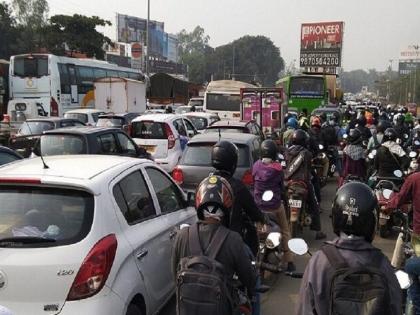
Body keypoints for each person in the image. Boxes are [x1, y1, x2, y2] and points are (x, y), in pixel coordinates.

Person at [297, 182, 402, 315]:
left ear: (335, 216)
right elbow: (395, 308)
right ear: (372, 221)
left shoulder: (319, 261)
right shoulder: (382, 263)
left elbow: (304, 309)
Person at [172, 175, 256, 315]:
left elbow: (174, 275)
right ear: (228, 206)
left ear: (198, 203)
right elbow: (249, 280)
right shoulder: (233, 240)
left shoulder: (182, 236)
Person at [212, 140, 267, 255]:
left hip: (206, 237)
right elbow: (253, 211)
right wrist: (262, 218)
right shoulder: (237, 186)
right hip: (230, 240)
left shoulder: (205, 183)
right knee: (249, 268)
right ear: (233, 162)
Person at [252, 139, 295, 272]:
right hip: (275, 206)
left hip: (258, 206)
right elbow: (281, 187)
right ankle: (289, 262)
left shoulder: (256, 166)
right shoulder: (277, 169)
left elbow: (254, 181)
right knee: (285, 230)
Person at [285, 130, 326, 240]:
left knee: (280, 203)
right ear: (304, 141)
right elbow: (309, 169)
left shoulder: (287, 151)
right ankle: (318, 231)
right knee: (315, 204)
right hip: (303, 183)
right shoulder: (307, 153)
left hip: (288, 183)